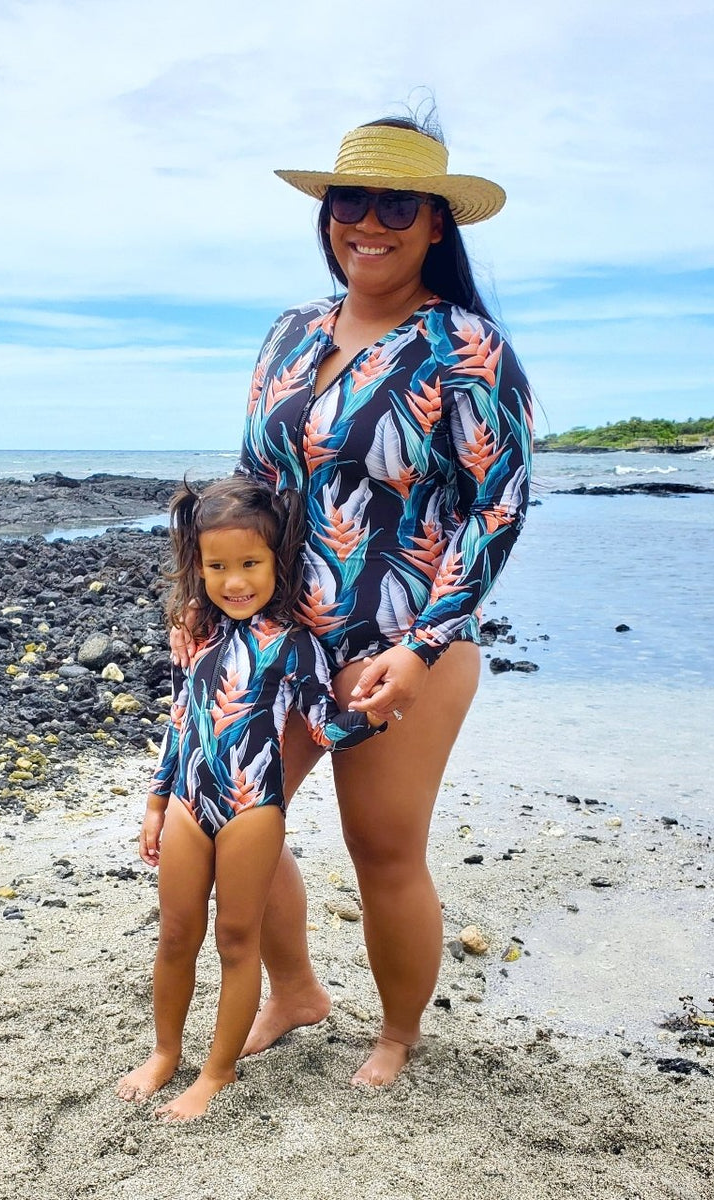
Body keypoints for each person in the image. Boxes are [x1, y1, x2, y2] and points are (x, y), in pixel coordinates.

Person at [183, 116, 534, 1087]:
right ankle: (295, 993)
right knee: (226, 829)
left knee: (383, 851)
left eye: (396, 206)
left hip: (402, 649)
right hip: (281, 639)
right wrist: (207, 608)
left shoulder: (466, 346)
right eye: (350, 202)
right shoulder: (291, 331)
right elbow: (248, 490)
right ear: (328, 214)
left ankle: (397, 1034)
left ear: (433, 225)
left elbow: (495, 509)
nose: (367, 224)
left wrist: (422, 649)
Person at [117, 475, 386, 1121]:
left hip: (251, 810)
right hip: (187, 804)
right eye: (217, 566)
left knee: (237, 941)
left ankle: (217, 1071)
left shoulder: (296, 646)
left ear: (277, 563)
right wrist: (157, 802)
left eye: (250, 564)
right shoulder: (198, 639)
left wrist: (377, 715)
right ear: (197, 567)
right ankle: (164, 1053)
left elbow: (322, 726)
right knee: (176, 935)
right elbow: (182, 721)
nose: (234, 581)